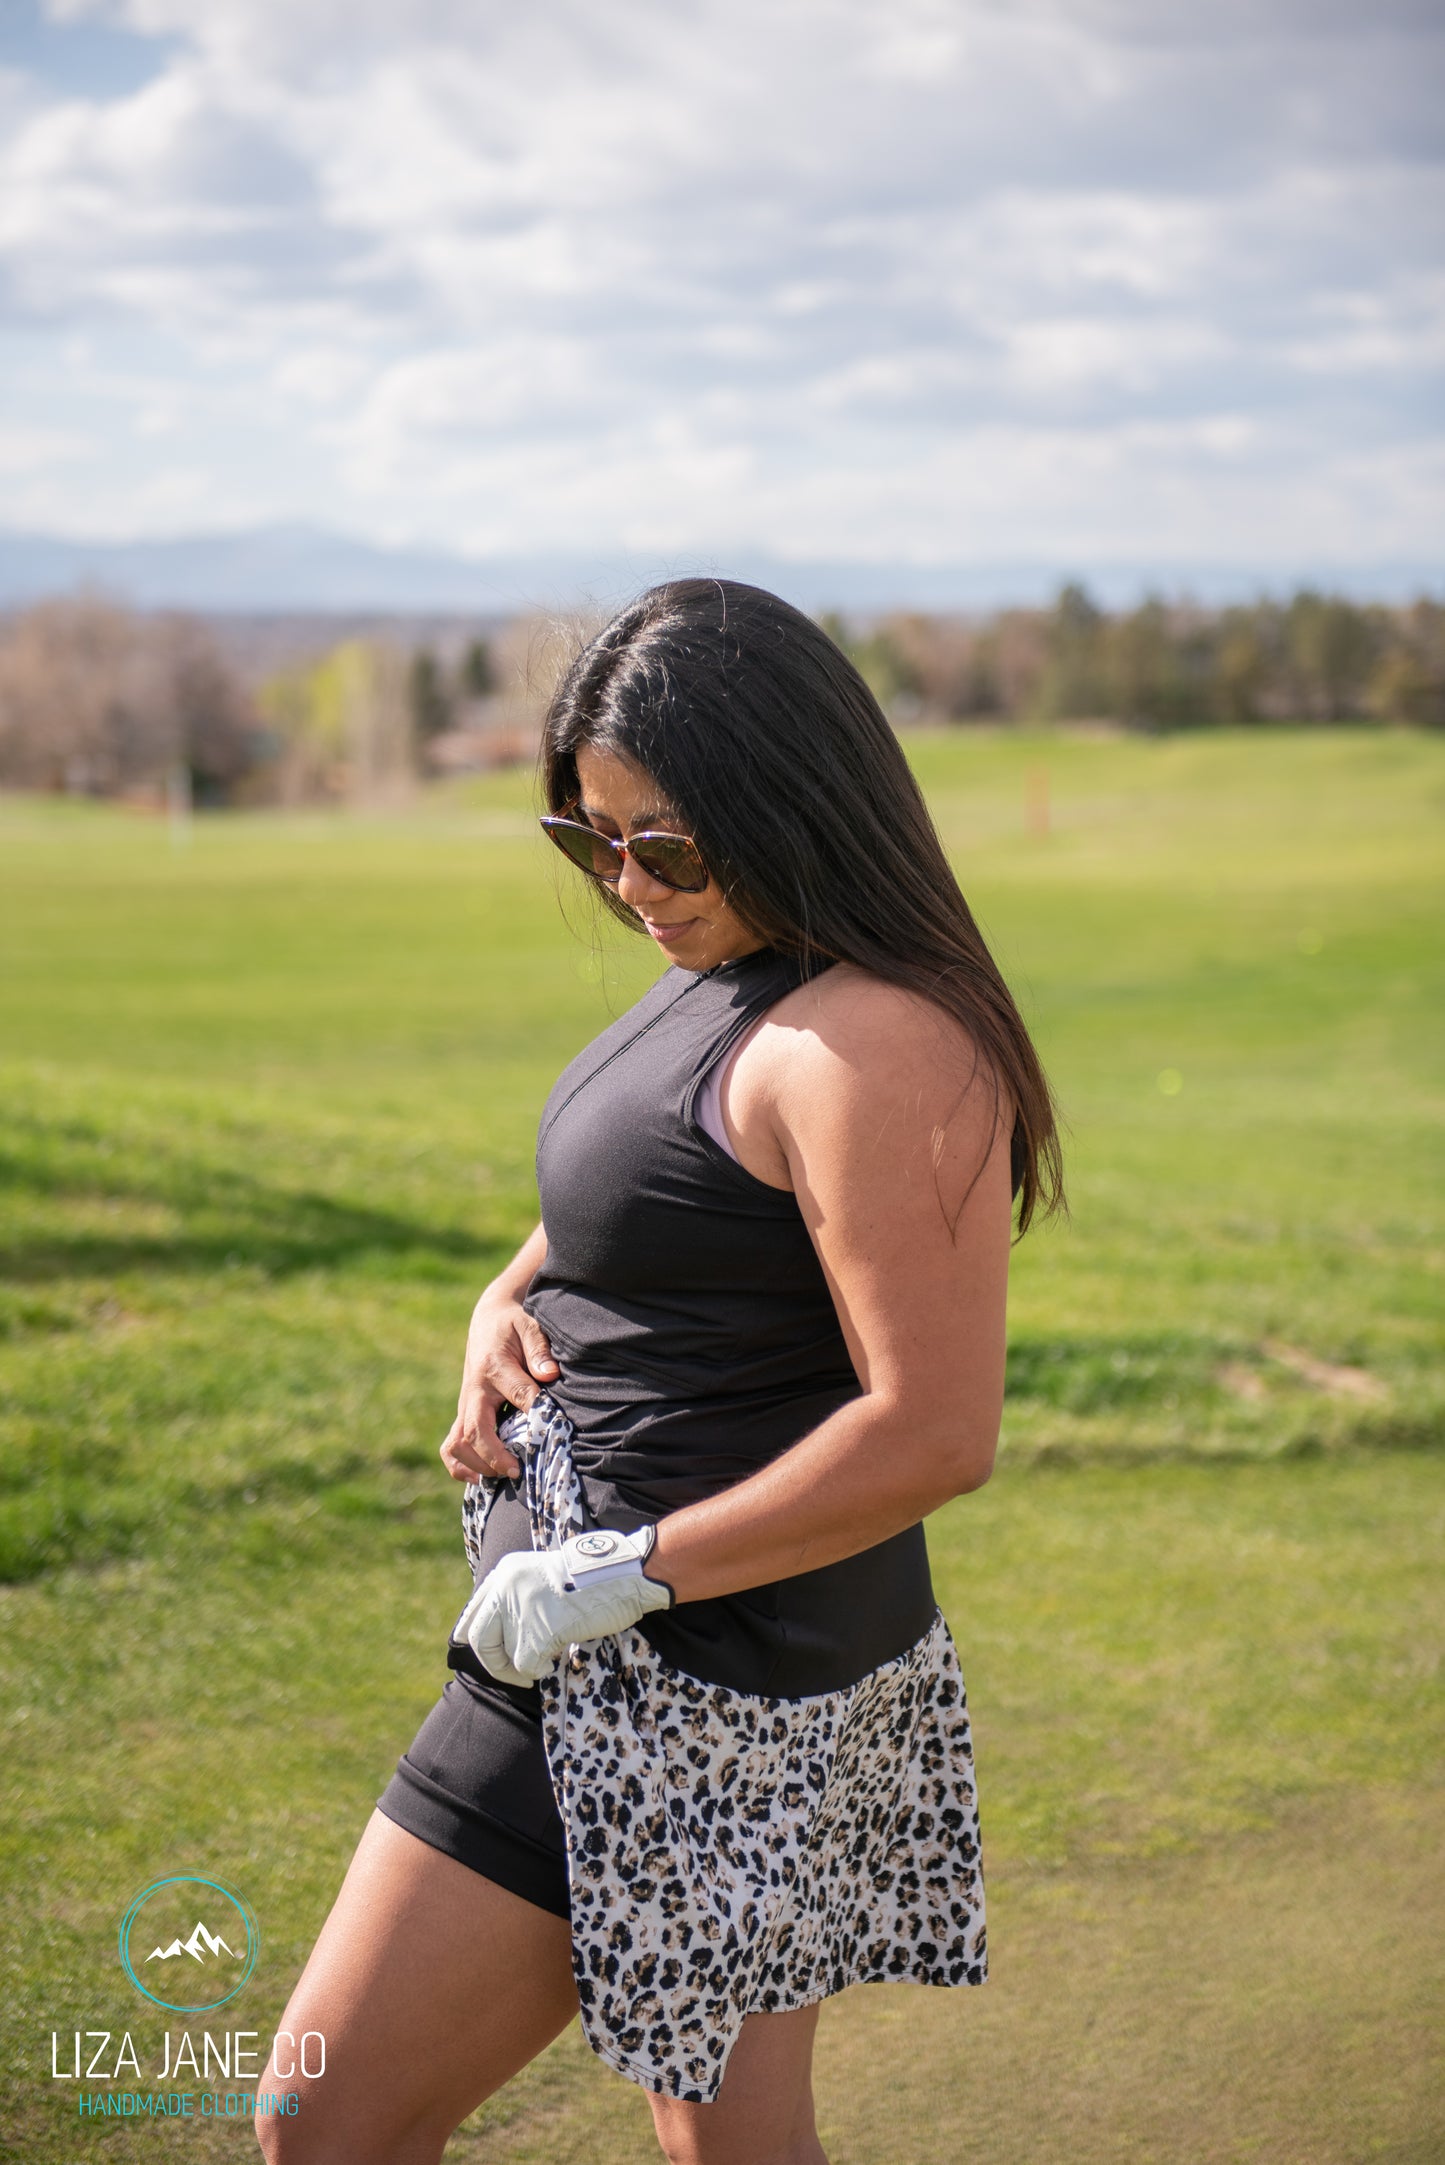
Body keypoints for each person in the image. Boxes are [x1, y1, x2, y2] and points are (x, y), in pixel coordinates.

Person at [255, 579, 1062, 2165]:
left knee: (323, 2119)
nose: (625, 884)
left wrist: (619, 1572)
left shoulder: (871, 1044)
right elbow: (671, 1195)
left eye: (661, 845)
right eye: (589, 841)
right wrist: (513, 1287)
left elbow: (933, 1430)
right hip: (610, 1662)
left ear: (784, 801)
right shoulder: (740, 966)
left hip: (714, 1686)